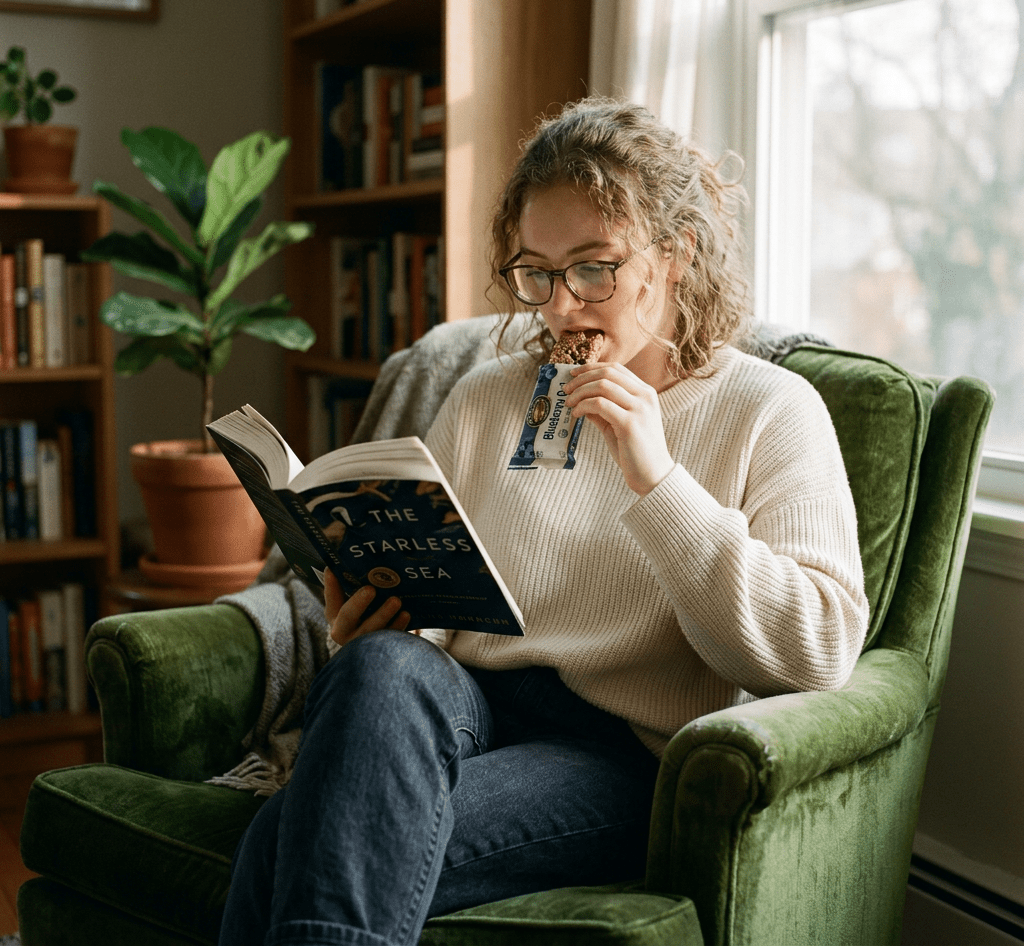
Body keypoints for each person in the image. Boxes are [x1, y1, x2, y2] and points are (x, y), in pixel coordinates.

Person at [218, 97, 869, 946]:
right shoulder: (491, 392)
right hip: (462, 702)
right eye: (537, 273)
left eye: (594, 268)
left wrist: (655, 475)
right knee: (378, 663)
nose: (561, 308)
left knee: (284, 839)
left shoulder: (771, 408)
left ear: (675, 256)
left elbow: (817, 650)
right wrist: (378, 616)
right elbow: (440, 615)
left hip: (617, 752)